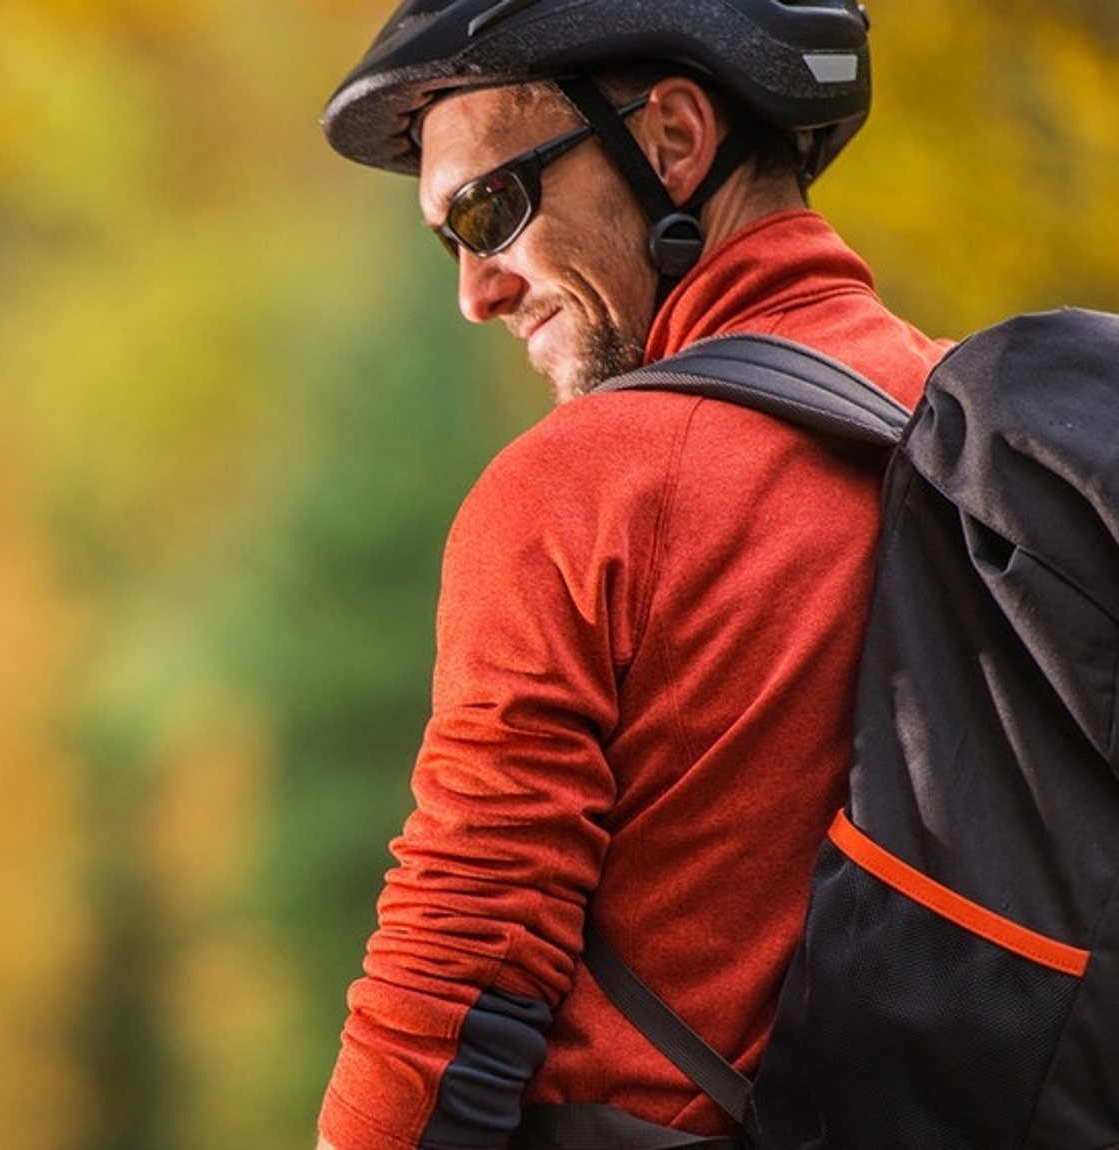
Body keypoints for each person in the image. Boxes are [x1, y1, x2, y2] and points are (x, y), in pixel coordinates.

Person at [311, 2, 952, 1147]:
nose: (475, 290)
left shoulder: (584, 489)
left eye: (489, 208)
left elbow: (455, 963)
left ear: (670, 140)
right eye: (446, 239)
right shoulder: (966, 429)